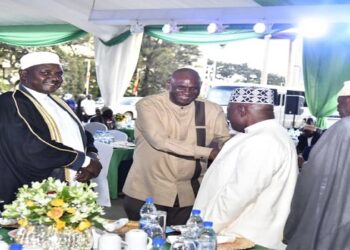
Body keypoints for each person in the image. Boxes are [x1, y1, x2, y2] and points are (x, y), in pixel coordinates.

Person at [194, 86, 298, 249]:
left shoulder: (264, 140)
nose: (228, 117)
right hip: (242, 235)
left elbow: (238, 194)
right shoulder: (268, 135)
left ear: (241, 109)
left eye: (229, 111)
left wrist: (204, 231)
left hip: (243, 238)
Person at [123, 68, 231, 225]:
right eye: (181, 87)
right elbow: (159, 141)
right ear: (169, 85)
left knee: (183, 241)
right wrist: (209, 153)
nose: (187, 92)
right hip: (147, 190)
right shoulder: (148, 105)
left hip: (189, 193)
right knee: (143, 241)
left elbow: (225, 139)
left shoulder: (212, 110)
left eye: (194, 88)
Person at [0, 51, 102, 209]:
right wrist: (83, 161)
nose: (55, 78)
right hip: (35, 190)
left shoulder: (57, 101)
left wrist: (91, 155)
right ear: (24, 74)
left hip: (72, 182)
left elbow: (82, 134)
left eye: (59, 74)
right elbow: (31, 146)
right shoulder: (11, 102)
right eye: (46, 72)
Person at [284, 82, 350, 250]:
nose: (337, 107)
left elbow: (317, 172)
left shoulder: (344, 128)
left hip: (340, 212)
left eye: (340, 102)